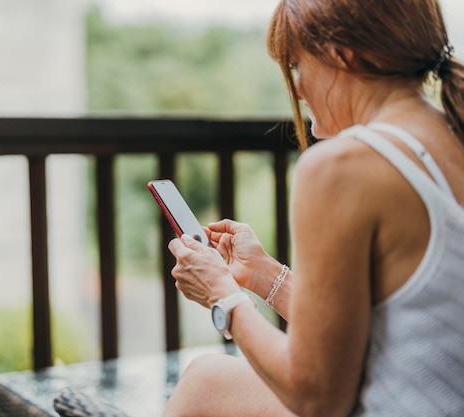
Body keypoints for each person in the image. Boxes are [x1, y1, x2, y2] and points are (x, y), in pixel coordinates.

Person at [162, 0, 464, 416]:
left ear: (343, 54)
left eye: (297, 64)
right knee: (209, 379)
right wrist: (264, 274)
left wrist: (224, 298)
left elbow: (318, 399)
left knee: (203, 385)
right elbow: (409, 326)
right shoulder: (452, 133)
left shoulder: (342, 167)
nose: (298, 87)